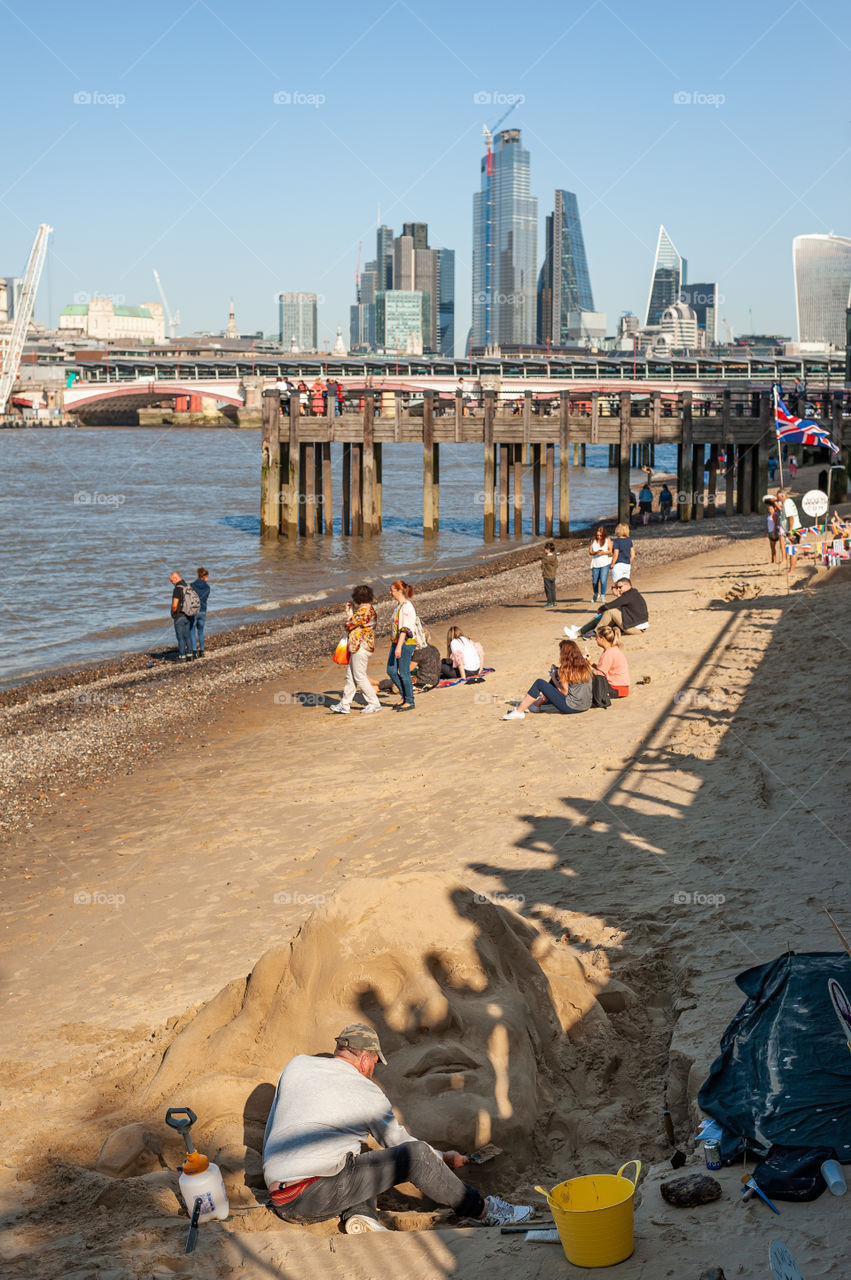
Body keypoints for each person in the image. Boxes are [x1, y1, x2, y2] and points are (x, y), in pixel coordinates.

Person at [263, 1023, 533, 1233]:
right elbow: (402, 1147)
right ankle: (486, 1211)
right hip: (310, 1197)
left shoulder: (296, 1065)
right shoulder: (366, 1092)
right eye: (375, 1064)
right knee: (415, 1156)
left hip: (280, 1196)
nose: (373, 1071)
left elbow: (273, 1125)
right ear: (367, 1059)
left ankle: (362, 1217)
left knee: (355, 1155)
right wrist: (442, 1158)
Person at [502, 639, 592, 720]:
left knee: (539, 683)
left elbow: (564, 692)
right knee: (554, 679)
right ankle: (536, 704)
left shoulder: (565, 669)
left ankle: (519, 711)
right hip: (586, 705)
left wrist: (554, 677)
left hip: (572, 707)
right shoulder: (585, 665)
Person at [331, 585, 381, 715]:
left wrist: (348, 614)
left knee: (359, 677)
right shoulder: (368, 609)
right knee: (351, 677)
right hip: (362, 646)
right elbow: (356, 623)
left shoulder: (363, 611)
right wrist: (352, 612)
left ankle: (374, 703)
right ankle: (345, 704)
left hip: (360, 647)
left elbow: (348, 625)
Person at [564, 578, 649, 640]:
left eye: (620, 587)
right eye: (617, 587)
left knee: (609, 612)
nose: (618, 589)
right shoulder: (632, 593)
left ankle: (594, 633)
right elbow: (618, 605)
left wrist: (600, 609)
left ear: (627, 585)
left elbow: (610, 606)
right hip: (633, 625)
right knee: (604, 615)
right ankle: (578, 632)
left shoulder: (629, 595)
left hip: (636, 629)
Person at [386, 580, 419, 711]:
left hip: (405, 643)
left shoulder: (406, 606)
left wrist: (399, 646)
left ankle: (409, 701)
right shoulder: (399, 607)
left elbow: (405, 629)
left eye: (392, 590)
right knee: (391, 670)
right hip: (396, 642)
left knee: (404, 671)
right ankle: (404, 695)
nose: (390, 593)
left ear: (399, 591)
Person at [592, 625, 630, 698]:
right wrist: (591, 663)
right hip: (622, 688)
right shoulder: (614, 649)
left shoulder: (608, 654)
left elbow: (600, 674)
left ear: (602, 639)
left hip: (616, 688)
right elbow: (604, 669)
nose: (595, 639)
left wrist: (587, 667)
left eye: (596, 637)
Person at [168, 571, 198, 662]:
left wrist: (173, 613)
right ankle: (190, 655)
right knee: (187, 635)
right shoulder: (187, 586)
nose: (171, 582)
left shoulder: (177, 589)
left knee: (180, 637)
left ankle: (182, 656)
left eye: (171, 580)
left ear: (176, 578)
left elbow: (174, 605)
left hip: (179, 615)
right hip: (188, 614)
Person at [188, 568, 210, 657]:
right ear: (205, 577)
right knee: (201, 631)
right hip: (203, 610)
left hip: (194, 610)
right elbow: (205, 598)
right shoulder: (208, 587)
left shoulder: (192, 585)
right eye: (208, 576)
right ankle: (202, 651)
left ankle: (194, 651)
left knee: (192, 631)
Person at [588, 525, 612, 604]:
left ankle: (602, 595)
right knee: (595, 581)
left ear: (603, 534)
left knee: (603, 580)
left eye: (600, 535)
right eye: (597, 535)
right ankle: (595, 594)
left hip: (605, 562)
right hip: (595, 563)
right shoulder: (593, 540)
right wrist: (595, 552)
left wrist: (603, 552)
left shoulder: (607, 540)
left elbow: (610, 551)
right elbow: (590, 552)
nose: (599, 537)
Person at [765, 501, 784, 566]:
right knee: (772, 547)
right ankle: (773, 560)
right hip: (770, 531)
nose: (770, 510)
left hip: (773, 532)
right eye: (769, 509)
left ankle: (774, 560)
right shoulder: (770, 515)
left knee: (773, 547)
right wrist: (766, 531)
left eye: (771, 509)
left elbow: (775, 524)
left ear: (774, 509)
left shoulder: (774, 515)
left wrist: (774, 532)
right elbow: (768, 524)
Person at [541, 540, 558, 607]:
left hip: (547, 575)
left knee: (548, 589)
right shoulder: (554, 557)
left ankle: (549, 602)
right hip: (553, 575)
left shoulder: (545, 558)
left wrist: (544, 568)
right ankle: (554, 601)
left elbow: (542, 566)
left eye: (545, 549)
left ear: (548, 550)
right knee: (553, 589)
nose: (544, 550)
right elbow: (556, 565)